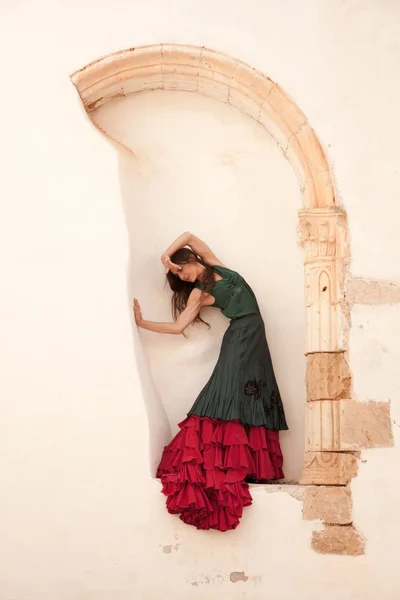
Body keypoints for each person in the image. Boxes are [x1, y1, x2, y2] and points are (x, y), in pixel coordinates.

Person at [133, 232, 288, 531]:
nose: (185, 277)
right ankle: (222, 465)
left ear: (191, 258)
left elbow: (190, 235)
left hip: (255, 335)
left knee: (254, 396)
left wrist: (167, 257)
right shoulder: (199, 292)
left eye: (183, 270)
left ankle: (248, 465)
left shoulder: (217, 266)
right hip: (241, 337)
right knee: (228, 395)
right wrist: (142, 323)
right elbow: (179, 327)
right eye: (180, 276)